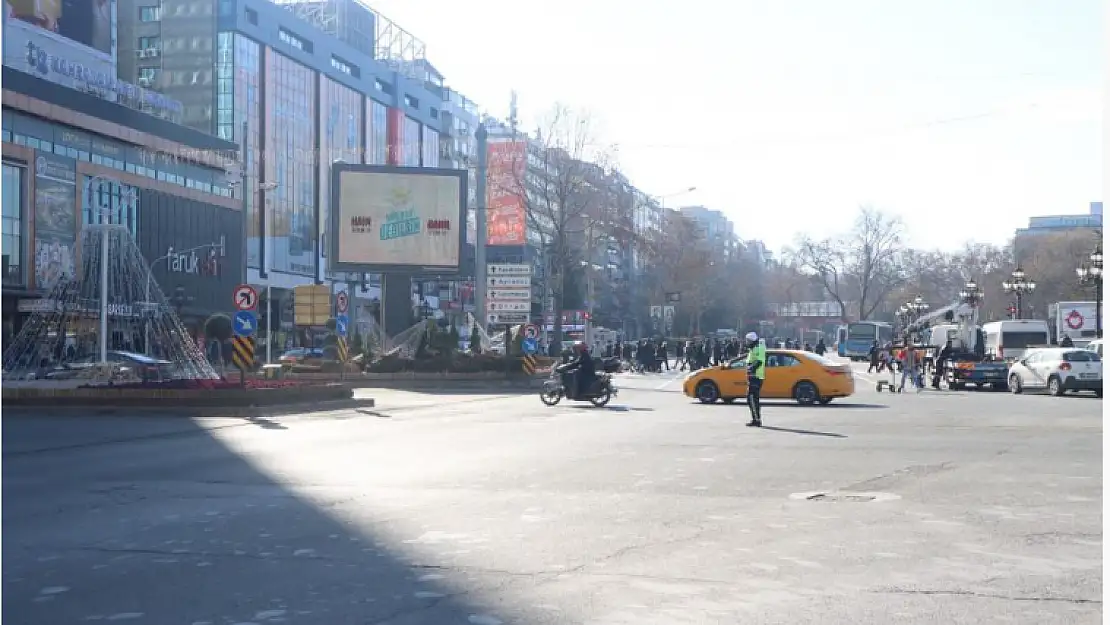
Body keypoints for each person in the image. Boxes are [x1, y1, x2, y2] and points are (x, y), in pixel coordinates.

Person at [744, 332, 767, 427]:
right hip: (753, 377)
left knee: (752, 399)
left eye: (748, 341)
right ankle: (755, 418)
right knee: (752, 399)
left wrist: (751, 368)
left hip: (756, 377)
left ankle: (757, 419)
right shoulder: (753, 349)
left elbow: (759, 361)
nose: (746, 342)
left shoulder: (758, 348)